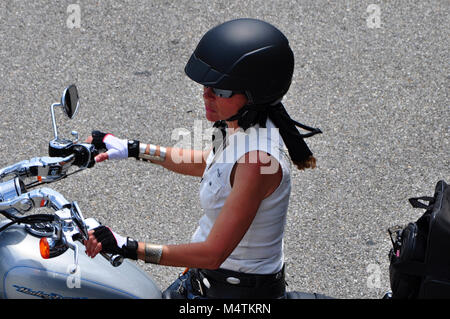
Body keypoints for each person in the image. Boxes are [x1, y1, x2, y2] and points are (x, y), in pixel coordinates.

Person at [83, 18, 321, 299]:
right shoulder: (240, 122)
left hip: (233, 296)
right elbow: (209, 163)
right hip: (202, 280)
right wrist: (132, 148)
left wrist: (128, 246)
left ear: (254, 93)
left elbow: (212, 254)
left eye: (219, 89)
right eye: (207, 85)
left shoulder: (258, 162)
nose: (206, 94)